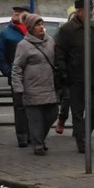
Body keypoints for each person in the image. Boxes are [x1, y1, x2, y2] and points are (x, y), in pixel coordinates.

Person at [55, 0, 94, 153]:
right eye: (88, 9)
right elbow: (60, 53)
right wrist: (63, 71)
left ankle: (85, 133)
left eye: (92, 9)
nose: (91, 12)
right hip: (76, 78)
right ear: (79, 11)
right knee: (78, 112)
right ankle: (81, 141)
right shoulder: (67, 30)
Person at [11, 14, 59, 156]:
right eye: (38, 25)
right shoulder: (23, 45)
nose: (41, 27)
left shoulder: (50, 41)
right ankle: (38, 144)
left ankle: (39, 138)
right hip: (32, 89)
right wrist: (18, 88)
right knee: (35, 119)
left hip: (49, 87)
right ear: (31, 28)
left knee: (52, 115)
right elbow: (17, 68)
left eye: (42, 24)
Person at [0, 5, 31, 148]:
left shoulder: (32, 32)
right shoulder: (6, 34)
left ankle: (35, 135)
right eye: (15, 11)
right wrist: (8, 71)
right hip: (16, 76)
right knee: (20, 107)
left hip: (34, 77)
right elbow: (0, 55)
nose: (16, 13)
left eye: (20, 12)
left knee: (35, 107)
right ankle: (22, 136)